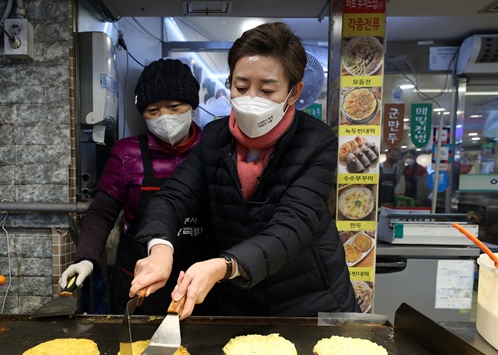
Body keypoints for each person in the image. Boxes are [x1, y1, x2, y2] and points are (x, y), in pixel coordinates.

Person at [130, 22, 359, 319]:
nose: (251, 99)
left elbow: (292, 227)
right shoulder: (214, 137)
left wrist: (224, 265)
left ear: (294, 92)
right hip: (240, 298)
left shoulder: (316, 142)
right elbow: (173, 196)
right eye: (240, 87)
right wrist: (160, 246)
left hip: (310, 300)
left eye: (266, 90)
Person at [60, 58, 216, 315]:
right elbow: (101, 213)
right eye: (153, 111)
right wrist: (86, 257)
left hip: (200, 277)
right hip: (141, 278)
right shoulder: (127, 153)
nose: (164, 117)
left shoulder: (213, 147)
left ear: (192, 105)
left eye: (174, 107)